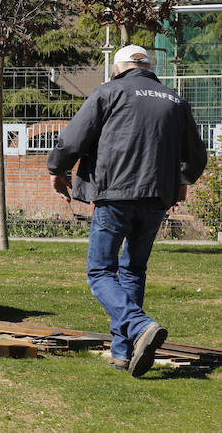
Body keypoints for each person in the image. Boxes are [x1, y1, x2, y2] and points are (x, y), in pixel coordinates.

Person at [47, 44, 207, 378]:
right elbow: (196, 155)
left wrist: (57, 170)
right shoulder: (175, 100)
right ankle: (124, 352)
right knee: (133, 270)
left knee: (101, 272)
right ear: (149, 67)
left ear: (118, 68)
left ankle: (139, 325)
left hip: (114, 196)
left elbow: (73, 139)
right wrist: (183, 179)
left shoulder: (108, 92)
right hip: (156, 198)